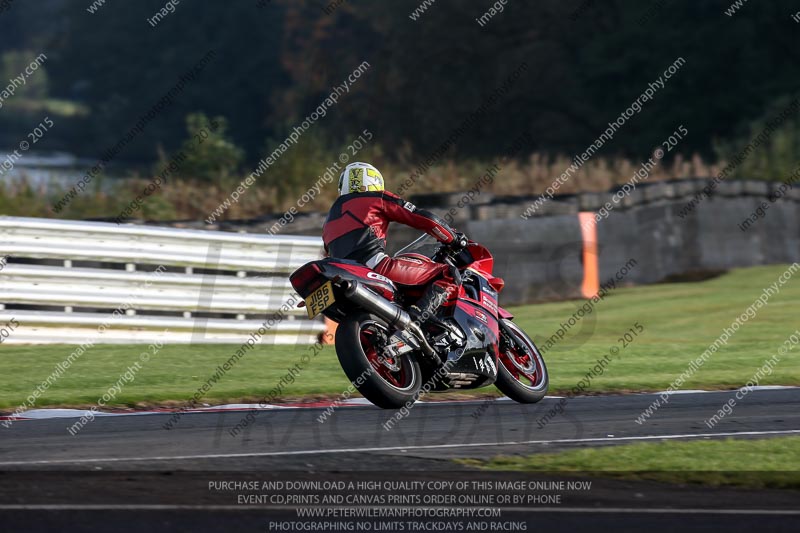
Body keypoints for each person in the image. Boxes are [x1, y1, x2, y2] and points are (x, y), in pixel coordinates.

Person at [322, 162, 466, 324]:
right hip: (375, 266)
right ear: (373, 180)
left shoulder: (329, 218)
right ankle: (420, 316)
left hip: (341, 274)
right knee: (448, 273)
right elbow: (421, 218)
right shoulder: (376, 198)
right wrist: (452, 237)